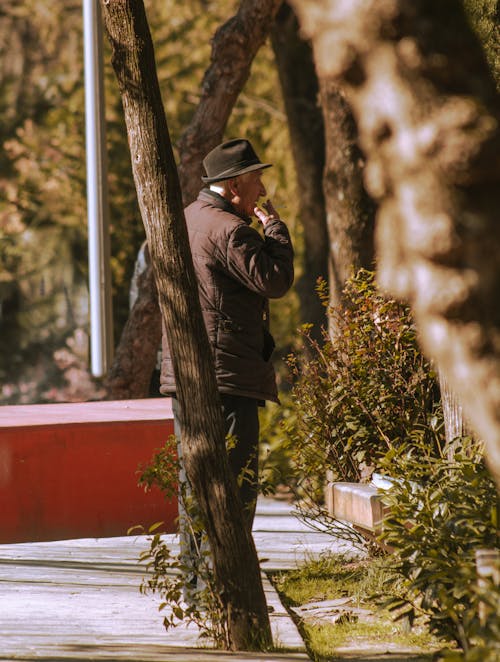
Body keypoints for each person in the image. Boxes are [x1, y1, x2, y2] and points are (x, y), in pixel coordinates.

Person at [159, 138, 294, 596]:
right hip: (226, 376)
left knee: (195, 482)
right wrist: (275, 228)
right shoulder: (232, 231)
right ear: (234, 184)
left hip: (189, 375)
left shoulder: (189, 218)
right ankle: (230, 592)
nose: (261, 188)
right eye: (255, 178)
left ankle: (199, 588)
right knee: (236, 485)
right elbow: (274, 281)